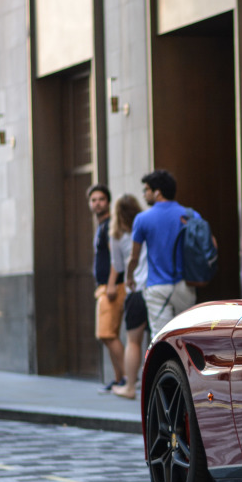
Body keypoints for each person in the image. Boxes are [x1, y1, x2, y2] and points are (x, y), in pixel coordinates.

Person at [126, 169, 195, 340]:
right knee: (187, 335)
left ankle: (167, 367)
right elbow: (212, 244)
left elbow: (134, 257)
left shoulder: (142, 219)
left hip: (157, 287)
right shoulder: (190, 214)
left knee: (161, 338)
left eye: (146, 190)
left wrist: (129, 277)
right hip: (185, 284)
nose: (144, 194)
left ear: (157, 192)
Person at [109, 194, 148, 400]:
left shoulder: (116, 235)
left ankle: (130, 386)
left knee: (133, 341)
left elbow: (118, 263)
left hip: (135, 290)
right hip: (153, 288)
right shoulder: (145, 226)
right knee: (156, 339)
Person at [88, 184, 125, 392]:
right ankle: (119, 378)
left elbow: (115, 257)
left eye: (101, 199)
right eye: (94, 200)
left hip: (112, 287)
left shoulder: (110, 225)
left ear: (108, 202)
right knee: (108, 334)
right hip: (104, 287)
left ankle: (127, 378)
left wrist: (111, 284)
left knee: (107, 334)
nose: (97, 203)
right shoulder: (101, 225)